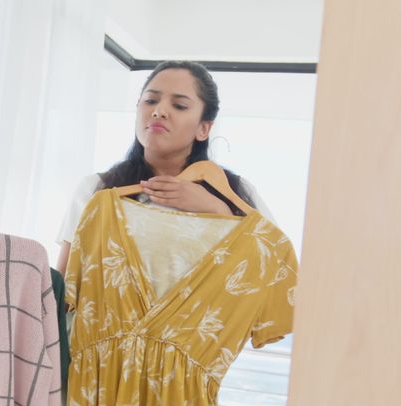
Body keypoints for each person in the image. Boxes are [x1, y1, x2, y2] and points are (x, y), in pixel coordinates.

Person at [55, 60, 273, 275]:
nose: (159, 111)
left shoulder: (238, 193)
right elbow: (62, 290)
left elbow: (272, 278)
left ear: (204, 128)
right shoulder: (97, 189)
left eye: (179, 106)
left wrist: (218, 211)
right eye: (150, 101)